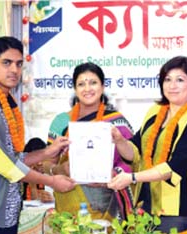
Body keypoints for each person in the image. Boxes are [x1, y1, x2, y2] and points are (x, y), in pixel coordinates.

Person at [0, 36, 75, 234]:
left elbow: (15, 157)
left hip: (8, 212)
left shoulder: (8, 105)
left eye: (19, 64)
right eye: (6, 63)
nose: (14, 70)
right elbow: (5, 165)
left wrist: (48, 152)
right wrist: (52, 181)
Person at [108, 56, 187, 233]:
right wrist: (119, 140)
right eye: (167, 79)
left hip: (178, 212)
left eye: (180, 80)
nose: (172, 86)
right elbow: (134, 152)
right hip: (144, 206)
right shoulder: (155, 112)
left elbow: (174, 167)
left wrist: (132, 178)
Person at [46, 62, 134, 222]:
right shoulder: (61, 122)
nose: (87, 89)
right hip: (69, 201)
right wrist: (60, 169)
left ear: (102, 86)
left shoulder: (116, 121)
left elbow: (133, 160)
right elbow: (45, 165)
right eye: (81, 84)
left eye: (93, 82)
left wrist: (113, 175)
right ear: (75, 89)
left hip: (107, 200)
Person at [22, 137, 54, 202]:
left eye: (42, 158)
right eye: (36, 159)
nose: (39, 163)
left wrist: (45, 197)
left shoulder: (47, 173)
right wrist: (33, 189)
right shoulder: (19, 176)